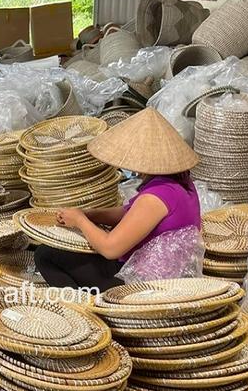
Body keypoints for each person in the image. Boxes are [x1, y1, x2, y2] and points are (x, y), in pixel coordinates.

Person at [35, 108, 201, 292]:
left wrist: (80, 221)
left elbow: (110, 249)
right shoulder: (180, 183)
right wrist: (90, 215)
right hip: (163, 273)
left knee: (45, 254)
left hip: (140, 284)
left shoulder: (155, 197)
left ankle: (83, 303)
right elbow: (129, 214)